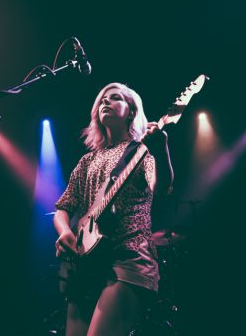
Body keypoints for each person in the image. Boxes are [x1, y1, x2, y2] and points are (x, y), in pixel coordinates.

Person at [53, 82, 174, 336]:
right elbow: (63, 206)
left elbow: (161, 188)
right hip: (84, 265)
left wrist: (161, 148)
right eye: (102, 100)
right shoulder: (87, 160)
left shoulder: (142, 153)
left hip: (128, 258)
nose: (106, 102)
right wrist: (65, 231)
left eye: (115, 98)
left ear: (131, 111)